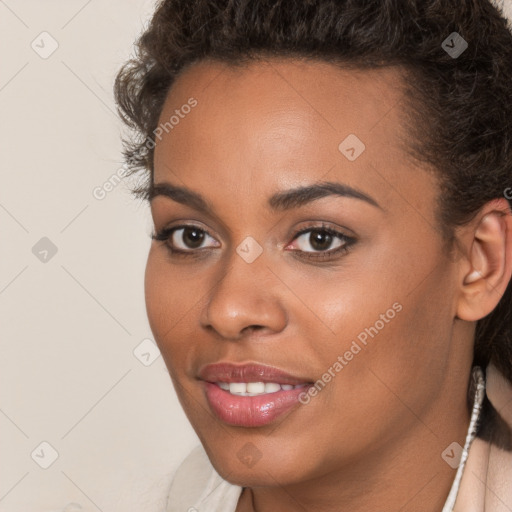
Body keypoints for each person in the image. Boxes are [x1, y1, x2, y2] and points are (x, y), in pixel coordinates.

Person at [113, 0, 512, 510]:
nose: (229, 310)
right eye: (190, 236)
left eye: (319, 239)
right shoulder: (185, 494)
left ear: (480, 263)